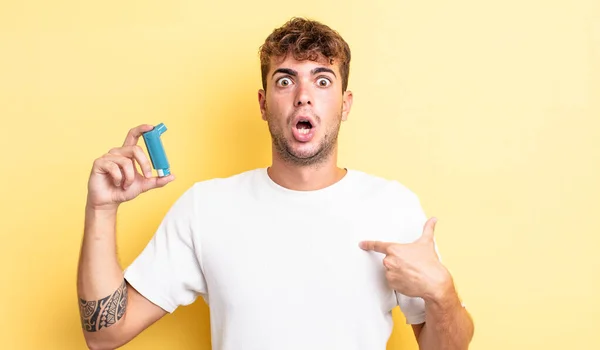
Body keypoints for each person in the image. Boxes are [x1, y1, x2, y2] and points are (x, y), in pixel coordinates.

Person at [77, 17, 474, 350]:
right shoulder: (206, 207)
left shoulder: (392, 206)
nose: (304, 96)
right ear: (264, 104)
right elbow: (105, 333)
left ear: (345, 104)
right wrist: (101, 208)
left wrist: (442, 292)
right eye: (285, 81)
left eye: (322, 81)